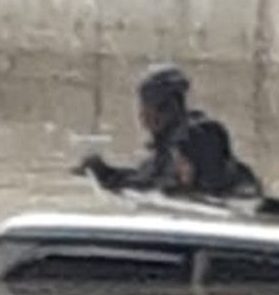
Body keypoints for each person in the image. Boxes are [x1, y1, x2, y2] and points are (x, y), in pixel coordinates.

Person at [79, 65, 262, 200]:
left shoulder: (200, 137)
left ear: (167, 108)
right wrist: (105, 174)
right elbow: (146, 179)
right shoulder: (166, 147)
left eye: (147, 108)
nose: (142, 116)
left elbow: (202, 185)